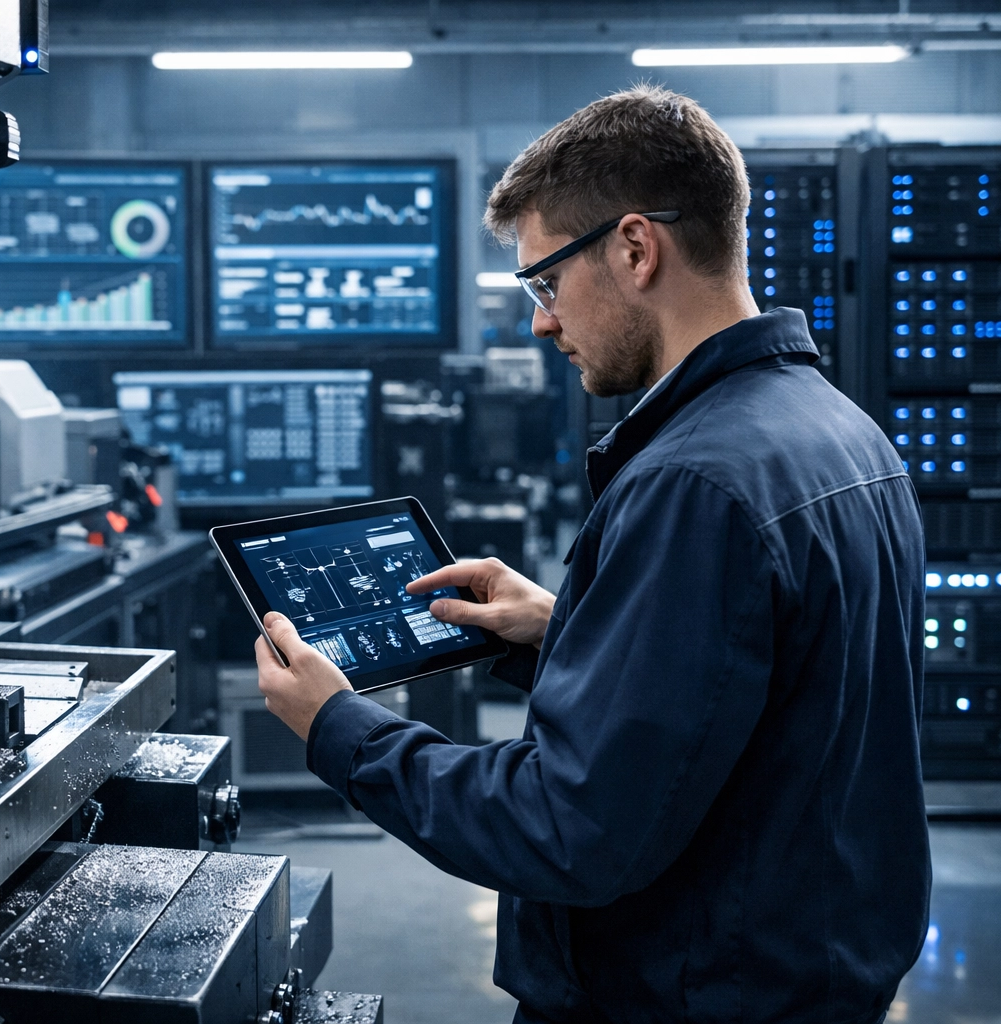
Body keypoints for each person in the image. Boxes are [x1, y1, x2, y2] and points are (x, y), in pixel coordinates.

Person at [254, 85, 930, 1024]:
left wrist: (340, 728)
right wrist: (568, 630)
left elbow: (567, 829)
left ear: (635, 248)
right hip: (803, 978)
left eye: (545, 282)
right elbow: (765, 708)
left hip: (684, 996)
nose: (540, 320)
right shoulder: (840, 436)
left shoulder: (694, 483)